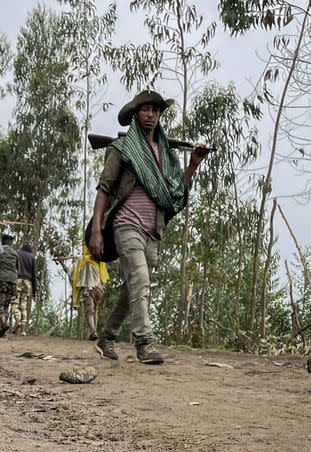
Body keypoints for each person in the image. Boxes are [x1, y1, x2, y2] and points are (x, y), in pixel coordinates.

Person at [89, 89, 208, 365]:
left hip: (153, 230)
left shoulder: (166, 154)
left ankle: (106, 336)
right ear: (135, 114)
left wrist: (193, 164)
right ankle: (144, 342)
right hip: (125, 225)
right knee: (141, 280)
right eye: (145, 110)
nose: (150, 115)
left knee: (133, 287)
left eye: (155, 111)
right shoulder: (123, 149)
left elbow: (176, 192)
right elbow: (104, 190)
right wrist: (97, 229)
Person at [57, 245, 109, 341]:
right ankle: (94, 331)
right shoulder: (100, 261)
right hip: (100, 289)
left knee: (89, 311)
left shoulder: (82, 259)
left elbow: (70, 273)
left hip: (89, 288)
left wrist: (61, 262)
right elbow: (107, 271)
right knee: (95, 310)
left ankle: (93, 332)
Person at [0, 233, 19, 337]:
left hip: (1, 280)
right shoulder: (15, 253)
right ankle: (2, 330)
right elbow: (17, 269)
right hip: (13, 281)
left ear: (2, 241)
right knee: (6, 305)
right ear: (11, 243)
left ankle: (3, 323)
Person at [12, 243, 37, 336]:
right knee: (24, 304)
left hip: (17, 279)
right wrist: (35, 291)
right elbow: (34, 275)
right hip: (28, 281)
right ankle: (23, 330)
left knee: (15, 302)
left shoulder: (17, 253)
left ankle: (17, 320)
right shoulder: (32, 257)